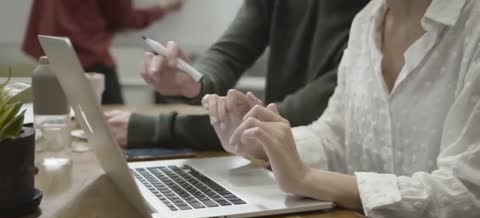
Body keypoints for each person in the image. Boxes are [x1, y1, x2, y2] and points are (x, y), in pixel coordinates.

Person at [203, 0, 480, 218]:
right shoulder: (366, 22)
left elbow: (464, 195)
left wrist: (307, 179)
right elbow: (334, 136)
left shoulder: (473, 27)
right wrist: (261, 141)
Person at [105, 0, 369, 149]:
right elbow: (228, 54)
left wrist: (155, 129)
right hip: (274, 165)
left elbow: (291, 119)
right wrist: (194, 81)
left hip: (337, 183)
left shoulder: (379, 15)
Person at [22, 0, 182, 104]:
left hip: (51, 59)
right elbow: (124, 19)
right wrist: (164, 8)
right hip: (89, 62)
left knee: (56, 134)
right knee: (110, 133)